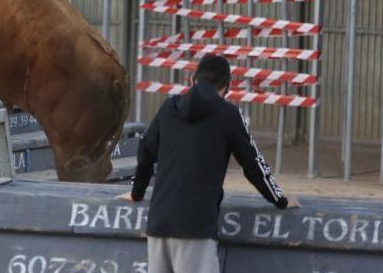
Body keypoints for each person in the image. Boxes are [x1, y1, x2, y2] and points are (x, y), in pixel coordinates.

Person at [121, 55, 298, 273]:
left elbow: (145, 150)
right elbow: (253, 164)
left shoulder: (169, 108)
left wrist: (137, 193)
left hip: (159, 224)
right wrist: (279, 199)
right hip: (196, 227)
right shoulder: (228, 115)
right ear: (227, 87)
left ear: (192, 80)